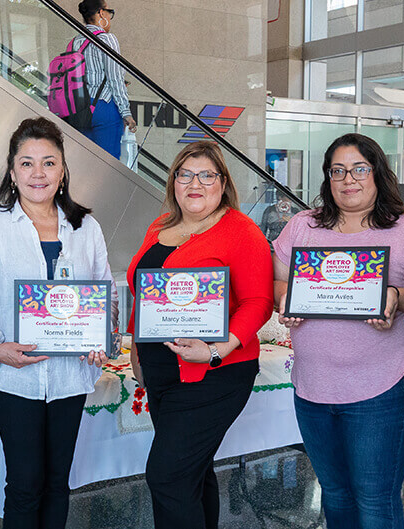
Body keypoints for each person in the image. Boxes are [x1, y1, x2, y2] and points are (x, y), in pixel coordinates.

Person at [273, 133, 404, 528]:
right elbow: (279, 281)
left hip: (380, 392)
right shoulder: (303, 226)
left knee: (375, 502)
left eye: (360, 169)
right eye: (338, 170)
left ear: (377, 173)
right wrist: (287, 299)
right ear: (327, 178)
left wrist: (395, 296)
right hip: (312, 389)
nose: (349, 179)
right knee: (336, 496)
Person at [0, 117, 112, 529]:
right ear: (12, 171)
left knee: (58, 483)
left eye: (48, 162)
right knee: (25, 483)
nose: (38, 173)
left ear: (63, 169)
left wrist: (102, 336)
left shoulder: (86, 227)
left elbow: (104, 291)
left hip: (71, 375)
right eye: (27, 163)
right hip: (16, 378)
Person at [126, 141, 273, 529]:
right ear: (173, 182)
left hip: (213, 376)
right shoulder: (160, 226)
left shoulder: (241, 231)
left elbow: (258, 302)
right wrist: (135, 353)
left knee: (168, 476)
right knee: (192, 474)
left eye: (207, 175)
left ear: (223, 183)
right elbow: (143, 292)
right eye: (185, 174)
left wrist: (213, 351)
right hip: (161, 374)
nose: (196, 183)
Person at [75, 0, 136, 158]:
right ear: (101, 13)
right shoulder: (108, 39)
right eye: (110, 12)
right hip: (103, 107)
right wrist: (126, 112)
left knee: (84, 162)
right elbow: (115, 78)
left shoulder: (76, 41)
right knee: (108, 164)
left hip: (79, 109)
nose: (110, 16)